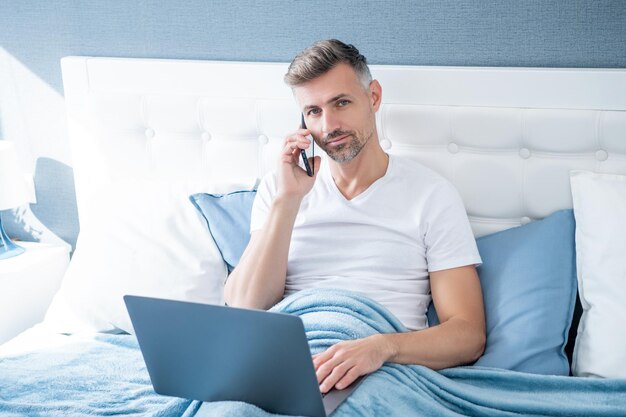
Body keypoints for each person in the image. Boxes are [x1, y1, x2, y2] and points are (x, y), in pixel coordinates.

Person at [224, 39, 485, 394]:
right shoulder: (281, 190)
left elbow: (468, 334)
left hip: (378, 369)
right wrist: (288, 201)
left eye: (341, 103)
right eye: (313, 111)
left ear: (373, 97)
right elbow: (244, 306)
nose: (329, 126)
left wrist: (382, 347)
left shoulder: (431, 195)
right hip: (287, 362)